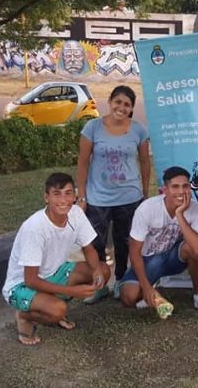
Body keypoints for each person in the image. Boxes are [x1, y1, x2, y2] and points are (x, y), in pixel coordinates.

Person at [2, 172, 111, 346]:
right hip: (20, 285)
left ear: (75, 196)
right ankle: (24, 316)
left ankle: (50, 305)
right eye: (56, 194)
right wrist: (74, 292)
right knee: (58, 310)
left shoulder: (75, 213)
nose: (63, 200)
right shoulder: (35, 228)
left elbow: (88, 248)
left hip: (53, 272)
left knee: (103, 269)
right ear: (46, 197)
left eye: (68, 193)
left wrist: (97, 272)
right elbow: (30, 280)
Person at [77, 85, 151, 301]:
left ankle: (120, 280)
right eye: (118, 102)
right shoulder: (92, 127)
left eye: (127, 104)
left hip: (130, 197)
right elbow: (82, 162)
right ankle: (99, 284)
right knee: (95, 243)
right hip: (97, 197)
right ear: (109, 102)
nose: (121, 107)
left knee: (125, 242)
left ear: (131, 109)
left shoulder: (139, 130)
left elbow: (145, 163)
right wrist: (82, 196)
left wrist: (144, 193)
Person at [118, 166, 198, 315]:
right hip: (148, 260)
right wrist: (146, 288)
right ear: (165, 190)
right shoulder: (147, 208)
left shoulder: (196, 208)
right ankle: (152, 291)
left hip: (173, 257)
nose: (181, 191)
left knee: (192, 248)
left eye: (185, 186)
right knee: (128, 297)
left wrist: (179, 214)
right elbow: (134, 252)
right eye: (175, 187)